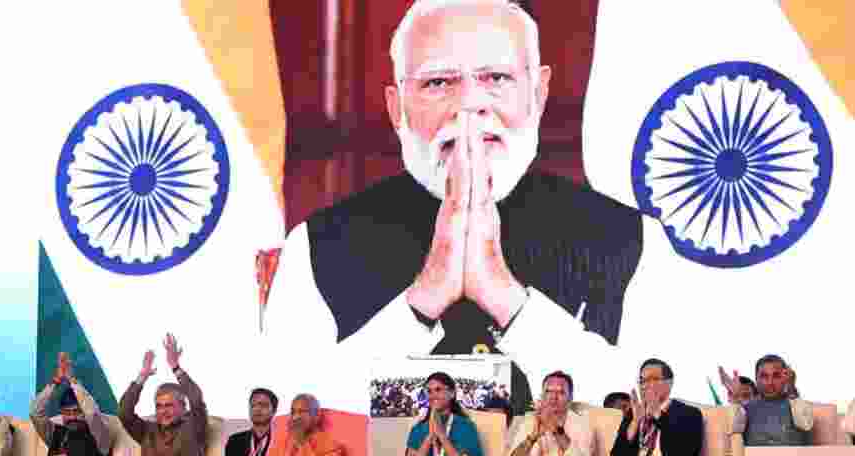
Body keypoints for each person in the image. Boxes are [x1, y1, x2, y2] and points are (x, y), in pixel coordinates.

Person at [263, 0, 648, 412]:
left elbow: (656, 415)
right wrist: (421, 303)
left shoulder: (631, 237)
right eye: (438, 83)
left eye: (496, 77)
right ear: (397, 107)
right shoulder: (318, 244)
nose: (469, 104)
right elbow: (288, 418)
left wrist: (508, 301)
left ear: (539, 93)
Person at [119, 333, 209, 456]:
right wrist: (142, 376)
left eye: (169, 405)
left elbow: (196, 399)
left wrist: (175, 367)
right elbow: (124, 412)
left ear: (183, 407)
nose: (163, 411)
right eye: (159, 406)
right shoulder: (147, 430)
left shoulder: (193, 427)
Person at [611, 359, 703, 456]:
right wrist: (635, 422)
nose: (647, 385)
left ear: (669, 383)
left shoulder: (689, 413)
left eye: (653, 379)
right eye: (643, 381)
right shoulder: (634, 414)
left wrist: (658, 415)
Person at [31, 352, 112, 456]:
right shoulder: (56, 434)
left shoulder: (99, 435)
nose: (72, 417)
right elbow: (35, 413)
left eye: (76, 411)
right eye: (67, 413)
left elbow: (92, 414)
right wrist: (56, 381)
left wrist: (72, 380)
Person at [508, 372, 593, 456]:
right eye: (548, 391)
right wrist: (532, 438)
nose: (553, 397)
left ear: (570, 398)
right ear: (542, 396)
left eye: (561, 392)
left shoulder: (582, 425)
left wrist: (557, 431)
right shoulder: (528, 422)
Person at [721, 355, 813, 446]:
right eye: (764, 376)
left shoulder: (796, 403)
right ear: (756, 379)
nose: (770, 382)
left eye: (776, 376)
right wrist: (735, 397)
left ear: (786, 378)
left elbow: (806, 424)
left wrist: (792, 389)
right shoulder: (746, 408)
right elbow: (733, 428)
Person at [261, 394, 345, 456]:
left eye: (302, 412)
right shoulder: (281, 443)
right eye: (293, 412)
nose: (296, 417)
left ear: (317, 416)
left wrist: (302, 443)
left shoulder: (332, 446)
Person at [223, 388, 278, 456]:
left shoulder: (279, 441)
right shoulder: (235, 441)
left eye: (263, 405)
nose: (257, 409)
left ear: (274, 410)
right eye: (253, 405)